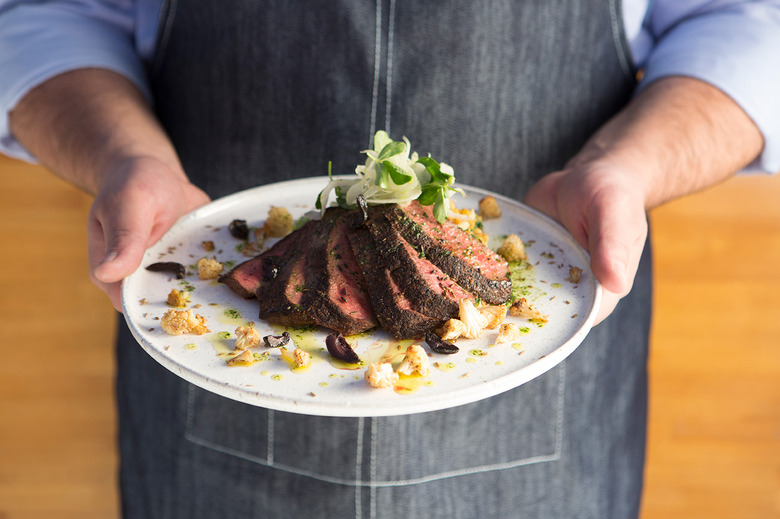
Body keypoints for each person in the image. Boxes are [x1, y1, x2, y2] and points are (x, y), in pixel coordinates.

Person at [1, 1, 778, 517]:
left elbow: (748, 22)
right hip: (205, 404)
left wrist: (625, 168)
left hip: (550, 418)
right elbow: (47, 14)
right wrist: (124, 156)